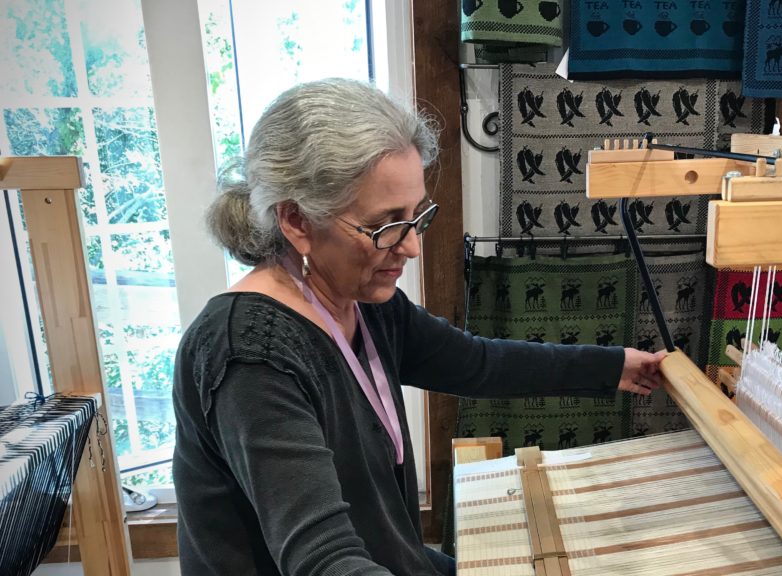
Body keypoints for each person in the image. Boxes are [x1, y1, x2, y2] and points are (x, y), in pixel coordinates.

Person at [172, 78, 667, 576]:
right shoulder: (249, 358)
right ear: (297, 219)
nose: (410, 246)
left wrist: (615, 365)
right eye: (387, 224)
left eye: (417, 216)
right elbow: (323, 557)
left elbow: (477, 363)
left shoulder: (365, 302)